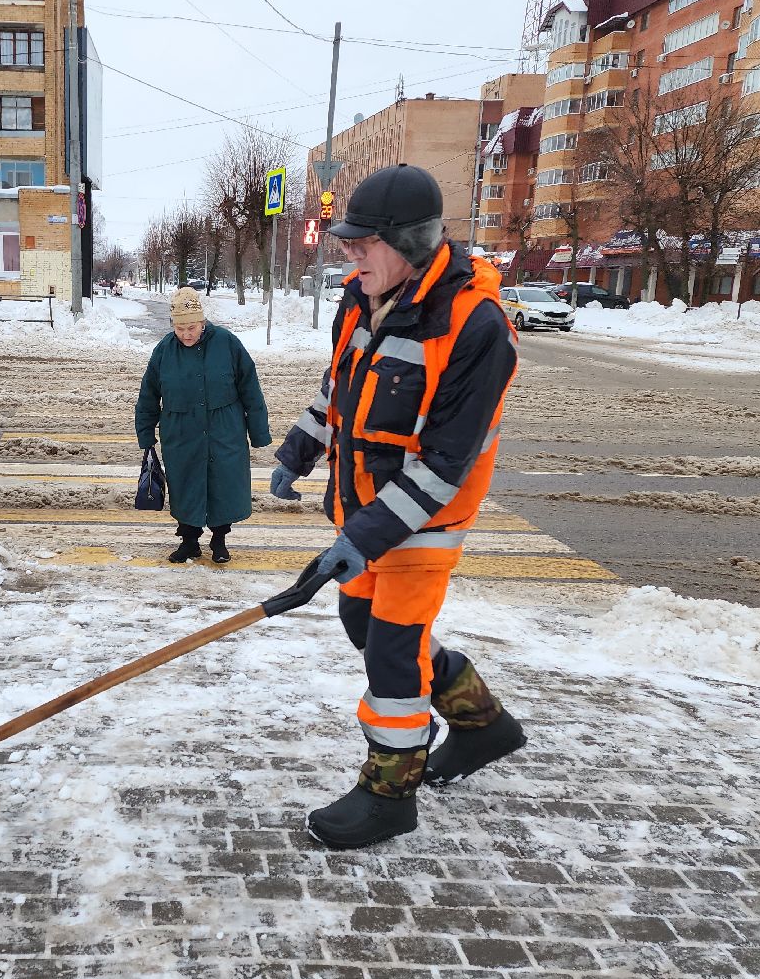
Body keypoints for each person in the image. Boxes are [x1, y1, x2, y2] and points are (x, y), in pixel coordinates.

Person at [269, 163, 523, 850]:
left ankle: (390, 794)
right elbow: (341, 387)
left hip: (427, 518)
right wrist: (301, 445)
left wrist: (370, 532)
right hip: (366, 509)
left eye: (364, 240)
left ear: (409, 243)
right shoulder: (361, 298)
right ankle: (481, 725)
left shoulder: (478, 327)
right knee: (360, 615)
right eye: (348, 239)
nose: (348, 251)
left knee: (393, 650)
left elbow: (448, 460)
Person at [135, 287, 270, 564]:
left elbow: (250, 387)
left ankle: (219, 541)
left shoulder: (227, 342)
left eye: (192, 327)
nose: (186, 334)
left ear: (203, 322)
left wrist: (258, 431)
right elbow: (148, 393)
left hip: (224, 430)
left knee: (223, 486)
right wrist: (146, 434)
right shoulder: (164, 350)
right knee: (185, 486)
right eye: (180, 328)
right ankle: (189, 542)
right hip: (181, 433)